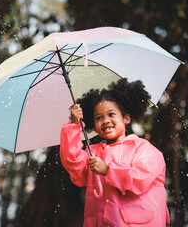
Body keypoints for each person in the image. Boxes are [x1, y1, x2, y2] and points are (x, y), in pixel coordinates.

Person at [60, 78, 170, 227]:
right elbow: (75, 167)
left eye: (111, 114)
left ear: (126, 118)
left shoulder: (144, 148)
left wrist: (107, 170)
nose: (105, 120)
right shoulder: (94, 152)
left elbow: (140, 179)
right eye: (98, 118)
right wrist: (74, 125)